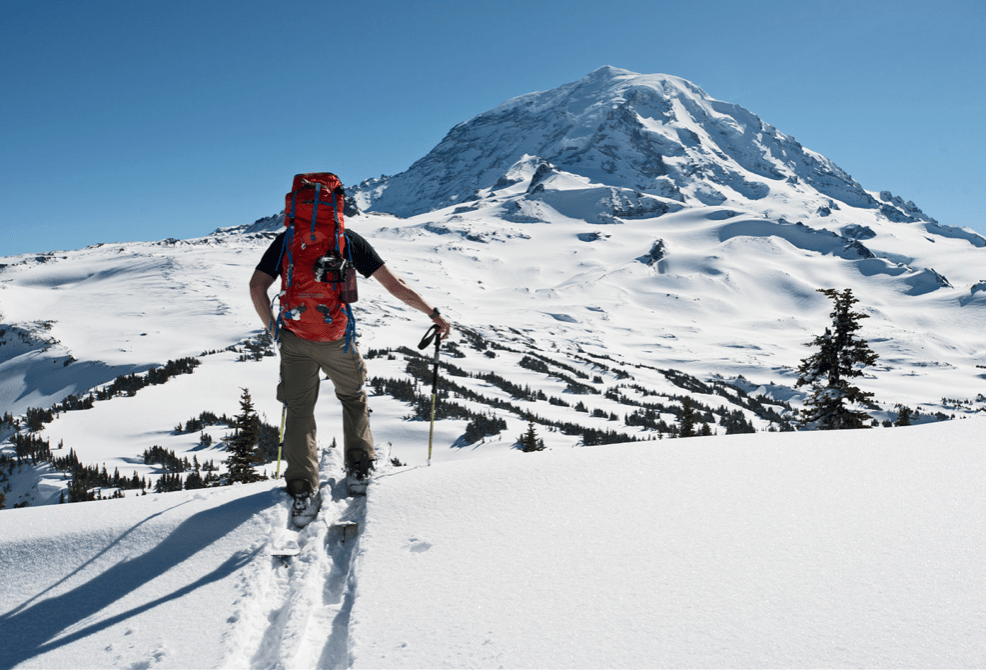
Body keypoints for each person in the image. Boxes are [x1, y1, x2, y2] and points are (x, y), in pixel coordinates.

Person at [249, 223, 451, 522]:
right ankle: (358, 466)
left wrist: (274, 330)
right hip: (336, 339)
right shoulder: (347, 240)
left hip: (295, 338)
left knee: (299, 411)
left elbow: (257, 286)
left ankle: (302, 488)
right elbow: (395, 286)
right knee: (354, 397)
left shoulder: (287, 240)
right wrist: (434, 315)